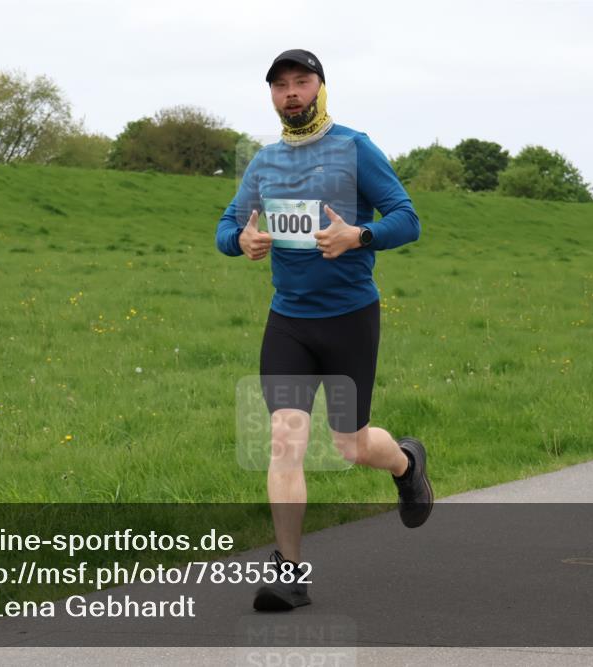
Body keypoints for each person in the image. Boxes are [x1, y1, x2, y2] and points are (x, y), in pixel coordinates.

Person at [215, 49, 433, 612]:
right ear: (272, 96)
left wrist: (358, 237)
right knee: (285, 440)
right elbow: (225, 227)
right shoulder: (263, 162)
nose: (291, 92)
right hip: (289, 321)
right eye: (280, 85)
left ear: (320, 88)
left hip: (350, 319)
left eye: (301, 81)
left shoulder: (354, 147)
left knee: (351, 445)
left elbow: (406, 219)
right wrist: (241, 241)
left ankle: (407, 463)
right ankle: (290, 573)